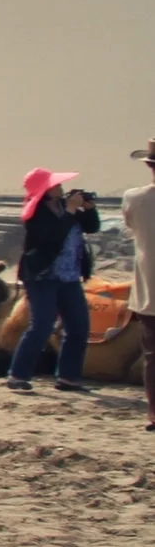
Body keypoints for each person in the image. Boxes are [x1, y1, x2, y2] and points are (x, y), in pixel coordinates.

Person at [4, 166, 102, 394]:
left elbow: (92, 227)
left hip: (70, 276)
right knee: (42, 325)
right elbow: (52, 236)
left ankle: (68, 377)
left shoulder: (66, 207)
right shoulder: (35, 213)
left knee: (78, 326)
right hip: (42, 276)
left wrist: (89, 210)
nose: (60, 187)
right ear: (45, 190)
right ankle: (18, 375)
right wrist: (70, 210)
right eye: (55, 185)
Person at [126, 140, 155, 430]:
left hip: (149, 290)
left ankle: (154, 413)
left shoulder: (134, 198)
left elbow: (132, 227)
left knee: (152, 356)